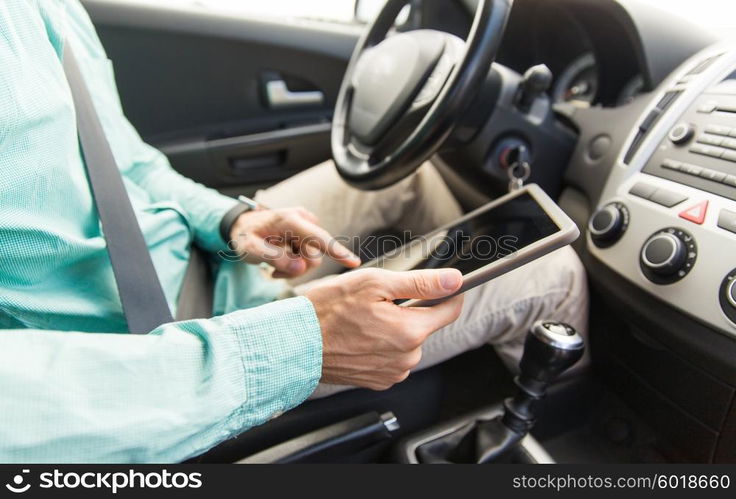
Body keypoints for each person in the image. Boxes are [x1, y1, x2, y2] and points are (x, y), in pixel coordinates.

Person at [0, 0, 587, 462]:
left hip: (190, 262)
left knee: (405, 181)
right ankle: (576, 431)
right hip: (149, 356)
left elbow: (126, 164)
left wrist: (231, 219)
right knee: (550, 274)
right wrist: (297, 349)